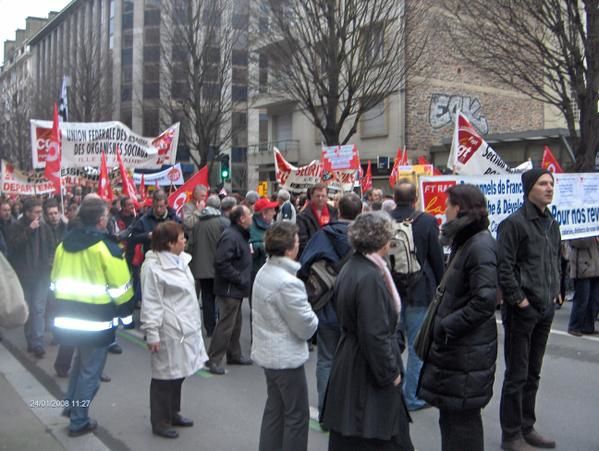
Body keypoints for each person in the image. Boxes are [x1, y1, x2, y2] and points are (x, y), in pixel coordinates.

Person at [322, 212, 414, 451]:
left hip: (353, 362)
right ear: (382, 241)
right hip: (366, 369)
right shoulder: (369, 276)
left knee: (355, 436)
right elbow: (374, 333)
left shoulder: (354, 266)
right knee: (376, 435)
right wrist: (390, 373)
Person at [418, 184, 498, 451]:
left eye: (447, 205)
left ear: (460, 208)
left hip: (464, 351)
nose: (444, 210)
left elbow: (484, 301)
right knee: (453, 420)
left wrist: (445, 326)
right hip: (458, 352)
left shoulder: (479, 245)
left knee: (462, 424)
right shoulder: (466, 241)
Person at [50, 196, 133, 436]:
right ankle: (78, 420)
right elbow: (121, 289)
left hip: (67, 318)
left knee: (79, 366)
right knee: (90, 373)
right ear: (100, 220)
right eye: (106, 216)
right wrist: (127, 320)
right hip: (96, 321)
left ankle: (71, 408)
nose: (107, 220)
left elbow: (54, 284)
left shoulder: (63, 244)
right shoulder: (107, 248)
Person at [498, 168, 561, 451]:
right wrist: (519, 300)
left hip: (546, 308)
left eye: (551, 183)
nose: (549, 188)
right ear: (529, 189)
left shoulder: (551, 223)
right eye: (542, 183)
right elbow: (505, 267)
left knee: (533, 373)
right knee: (517, 375)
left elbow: (555, 259)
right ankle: (511, 435)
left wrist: (558, 290)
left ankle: (527, 426)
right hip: (523, 310)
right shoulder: (514, 223)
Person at [252, 222, 318, 451]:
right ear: (290, 248)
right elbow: (306, 326)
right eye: (297, 241)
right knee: (296, 416)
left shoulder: (265, 270)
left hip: (269, 352)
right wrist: (314, 317)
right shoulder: (288, 282)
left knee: (275, 409)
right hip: (285, 357)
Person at [141, 221, 208, 439]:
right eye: (181, 238)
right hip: (168, 329)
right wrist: (152, 333)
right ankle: (160, 421)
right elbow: (151, 301)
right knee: (164, 376)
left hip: (184, 327)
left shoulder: (181, 261)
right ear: (170, 243)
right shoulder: (153, 267)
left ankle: (173, 412)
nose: (185, 241)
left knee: (178, 372)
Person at [298, 193, 362, 420]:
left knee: (326, 359)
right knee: (355, 361)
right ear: (360, 212)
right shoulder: (365, 237)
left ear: (337, 210)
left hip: (326, 306)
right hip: (356, 309)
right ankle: (349, 411)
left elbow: (303, 265)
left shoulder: (322, 235)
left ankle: (326, 409)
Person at [390, 180, 445, 411]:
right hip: (419, 291)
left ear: (394, 198)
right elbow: (437, 258)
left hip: (390, 290)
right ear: (415, 200)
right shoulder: (427, 222)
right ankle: (411, 396)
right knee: (416, 347)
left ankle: (389, 392)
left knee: (391, 344)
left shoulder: (383, 220)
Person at [205, 205, 253, 375]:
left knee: (235, 323)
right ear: (241, 219)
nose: (251, 217)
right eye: (249, 214)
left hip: (235, 288)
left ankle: (234, 354)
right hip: (230, 288)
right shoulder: (231, 237)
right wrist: (239, 278)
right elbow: (221, 262)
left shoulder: (237, 235)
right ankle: (214, 359)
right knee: (226, 325)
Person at [8, 198, 55, 358]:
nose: (39, 215)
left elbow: (51, 246)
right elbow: (13, 246)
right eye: (36, 212)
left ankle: (37, 342)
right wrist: (29, 230)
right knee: (28, 307)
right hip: (25, 275)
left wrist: (49, 262)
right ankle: (31, 339)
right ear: (27, 213)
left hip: (41, 274)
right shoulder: (17, 227)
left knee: (38, 308)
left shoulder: (44, 227)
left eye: (40, 212)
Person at [189, 195, 229, 337]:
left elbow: (191, 246)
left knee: (206, 298)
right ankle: (220, 325)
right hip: (219, 267)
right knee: (221, 297)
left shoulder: (198, 224)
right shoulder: (223, 223)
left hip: (201, 268)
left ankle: (209, 327)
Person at [129, 189, 180, 257]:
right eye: (156, 206)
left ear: (166, 204)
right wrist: (148, 235)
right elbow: (134, 237)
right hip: (151, 258)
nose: (158, 209)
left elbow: (182, 236)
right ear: (152, 204)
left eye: (161, 206)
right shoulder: (144, 219)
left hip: (170, 258)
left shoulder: (174, 219)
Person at [567, 235, 599, 335]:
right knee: (582, 298)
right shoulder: (575, 230)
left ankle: (588, 326)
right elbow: (576, 243)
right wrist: (593, 236)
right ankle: (574, 326)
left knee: (594, 300)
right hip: (582, 267)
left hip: (596, 265)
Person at [296, 183, 338, 257]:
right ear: (311, 196)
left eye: (323, 196)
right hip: (313, 256)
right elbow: (303, 241)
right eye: (318, 196)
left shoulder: (334, 212)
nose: (320, 198)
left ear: (327, 196)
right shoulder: (302, 217)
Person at [250, 198, 279, 285]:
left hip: (270, 271)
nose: (275, 213)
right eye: (272, 210)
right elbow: (249, 248)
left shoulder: (271, 225)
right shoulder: (250, 226)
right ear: (264, 213)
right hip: (256, 272)